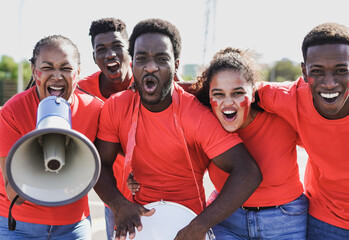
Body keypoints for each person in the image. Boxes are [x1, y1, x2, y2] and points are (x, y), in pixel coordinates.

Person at [93, 18, 262, 240]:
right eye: (142, 58)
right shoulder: (116, 106)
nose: (151, 66)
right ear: (132, 63)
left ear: (176, 66)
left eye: (161, 59)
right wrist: (118, 204)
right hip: (139, 222)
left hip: (188, 222)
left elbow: (248, 172)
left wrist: (200, 225)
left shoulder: (195, 114)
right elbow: (99, 163)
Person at [191, 47, 308, 239]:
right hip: (226, 219)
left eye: (237, 93)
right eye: (219, 94)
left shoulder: (281, 117)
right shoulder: (207, 124)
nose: (227, 103)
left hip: (286, 219)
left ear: (253, 93)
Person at [0, 35, 103, 239]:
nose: (57, 76)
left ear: (78, 73)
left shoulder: (95, 109)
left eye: (66, 68)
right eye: (47, 68)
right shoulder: (13, 111)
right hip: (18, 226)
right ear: (34, 71)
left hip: (73, 226)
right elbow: (14, 194)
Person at [257, 22, 349, 239]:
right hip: (325, 219)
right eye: (317, 71)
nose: (329, 83)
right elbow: (234, 90)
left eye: (342, 70)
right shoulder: (291, 98)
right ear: (305, 72)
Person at [77, 17, 133, 240]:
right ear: (94, 57)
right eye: (101, 49)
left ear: (131, 50)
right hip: (113, 198)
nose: (110, 54)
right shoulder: (81, 90)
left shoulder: (151, 83)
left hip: (157, 193)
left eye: (117, 46)